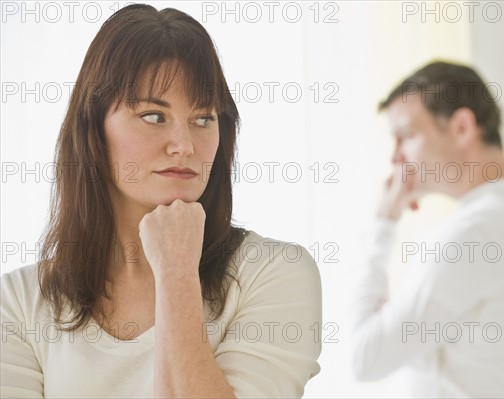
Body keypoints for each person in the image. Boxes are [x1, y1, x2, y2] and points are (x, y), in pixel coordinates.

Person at [0, 4, 321, 398]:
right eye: (154, 116)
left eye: (204, 119)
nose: (184, 146)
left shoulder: (274, 273)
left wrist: (176, 273)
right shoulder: (17, 303)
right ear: (93, 132)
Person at [351, 61, 504, 397]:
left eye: (406, 136)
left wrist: (383, 223)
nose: (396, 158)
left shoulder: (475, 233)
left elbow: (364, 358)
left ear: (462, 127)